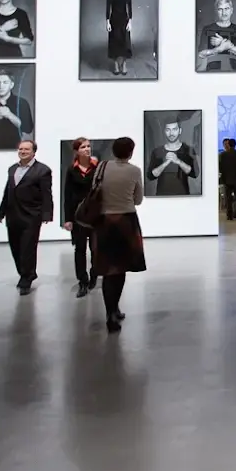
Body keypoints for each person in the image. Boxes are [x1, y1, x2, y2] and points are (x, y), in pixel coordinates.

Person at [93, 136, 146, 332]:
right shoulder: (134, 171)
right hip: (126, 221)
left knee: (109, 270)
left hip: (104, 222)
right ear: (131, 152)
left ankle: (110, 311)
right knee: (121, 268)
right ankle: (114, 310)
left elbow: (94, 191)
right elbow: (138, 200)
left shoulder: (102, 167)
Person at [0, 140, 54, 295]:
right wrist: (1, 212)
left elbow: (46, 193)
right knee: (15, 247)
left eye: (26, 149)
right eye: (21, 149)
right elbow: (7, 192)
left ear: (33, 152)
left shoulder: (43, 170)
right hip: (13, 214)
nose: (23, 151)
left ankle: (26, 278)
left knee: (28, 247)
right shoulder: (12, 169)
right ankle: (25, 272)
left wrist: (47, 213)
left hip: (32, 215)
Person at [62, 137, 100, 298]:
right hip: (78, 215)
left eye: (88, 146)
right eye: (83, 147)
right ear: (77, 150)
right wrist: (67, 218)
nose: (87, 149)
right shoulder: (72, 169)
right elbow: (67, 195)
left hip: (95, 214)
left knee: (96, 248)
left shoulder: (97, 166)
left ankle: (94, 274)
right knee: (80, 249)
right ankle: (82, 281)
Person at [146, 113, 199, 196]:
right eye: (168, 130)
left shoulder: (188, 150)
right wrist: (165, 164)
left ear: (180, 131)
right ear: (164, 131)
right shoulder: (157, 151)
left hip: (183, 195)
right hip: (161, 196)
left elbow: (195, 174)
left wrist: (178, 161)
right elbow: (150, 176)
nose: (171, 133)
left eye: (174, 129)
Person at [197, 0, 236, 72]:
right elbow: (201, 54)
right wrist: (218, 49)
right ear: (216, 11)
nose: (224, 13)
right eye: (220, 9)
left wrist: (228, 45)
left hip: (234, 71)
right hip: (213, 71)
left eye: (226, 9)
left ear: (231, 10)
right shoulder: (207, 29)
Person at [106, 0, 133, 76]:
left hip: (124, 21)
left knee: (124, 43)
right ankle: (116, 65)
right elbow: (107, 9)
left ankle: (124, 64)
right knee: (114, 43)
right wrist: (107, 22)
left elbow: (129, 9)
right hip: (113, 21)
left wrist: (130, 22)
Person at [218, 138, 236, 220]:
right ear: (235, 145)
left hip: (226, 179)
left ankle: (229, 215)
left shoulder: (222, 155)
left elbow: (220, 168)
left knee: (228, 198)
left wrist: (223, 178)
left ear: (228, 144)